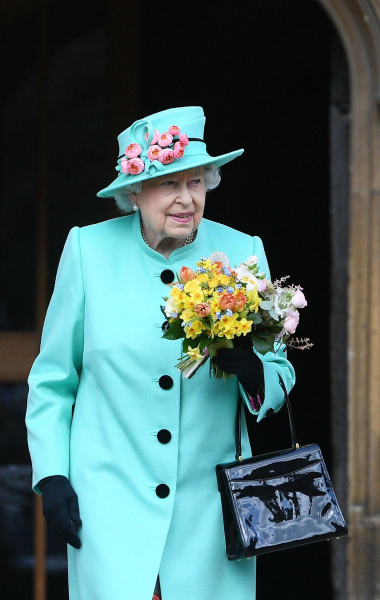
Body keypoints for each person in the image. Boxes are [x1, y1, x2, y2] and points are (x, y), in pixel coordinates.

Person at [26, 106, 295, 600]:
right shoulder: (88, 250)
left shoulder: (241, 252)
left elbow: (280, 370)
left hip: (209, 511)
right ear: (135, 193)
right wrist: (53, 475)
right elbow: (53, 379)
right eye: (168, 184)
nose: (185, 199)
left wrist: (255, 371)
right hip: (108, 503)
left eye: (195, 182)